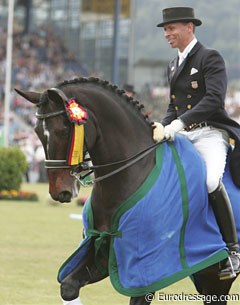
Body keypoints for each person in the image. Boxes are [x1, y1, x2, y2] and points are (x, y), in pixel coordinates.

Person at [153, 6, 240, 280]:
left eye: (171, 28)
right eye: (165, 29)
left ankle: (233, 250)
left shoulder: (209, 57)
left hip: (210, 132)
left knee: (210, 181)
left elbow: (214, 99)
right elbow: (173, 105)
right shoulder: (172, 64)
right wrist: (162, 125)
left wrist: (179, 124)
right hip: (184, 133)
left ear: (189, 27)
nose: (167, 34)